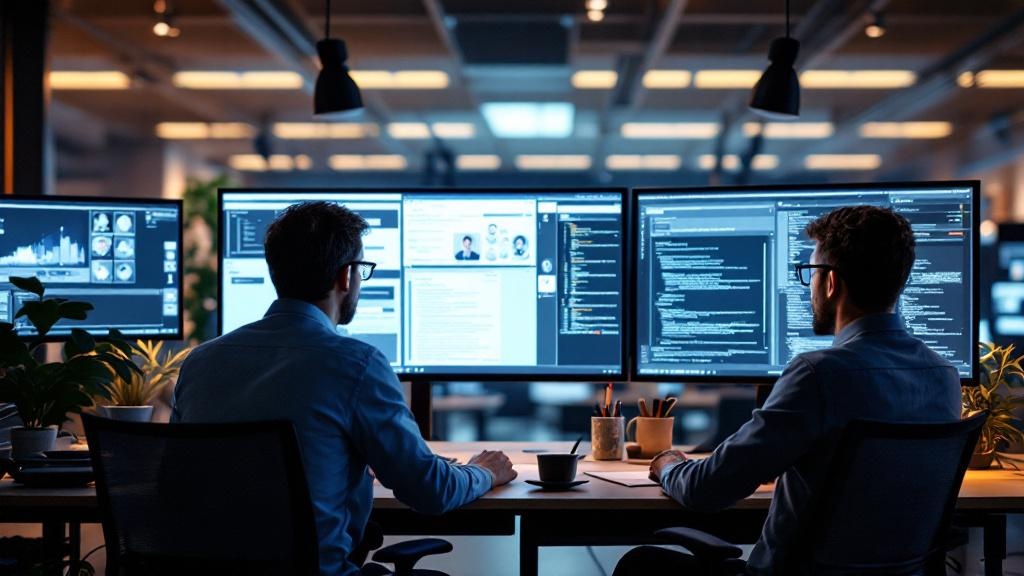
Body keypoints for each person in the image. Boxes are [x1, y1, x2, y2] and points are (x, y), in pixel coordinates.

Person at [614, 206, 962, 576]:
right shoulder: (944, 376)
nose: (808, 286)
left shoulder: (818, 374)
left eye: (809, 273)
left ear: (830, 282)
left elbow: (706, 490)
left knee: (642, 564)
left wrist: (669, 465)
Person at [172, 202, 516, 576]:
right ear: (345, 277)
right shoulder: (356, 364)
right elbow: (429, 490)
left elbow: (174, 483)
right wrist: (484, 471)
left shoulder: (199, 362)